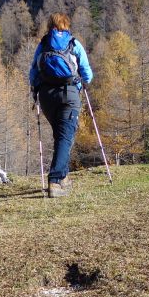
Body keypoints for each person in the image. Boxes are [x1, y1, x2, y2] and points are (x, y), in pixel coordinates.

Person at [29, 13, 94, 197]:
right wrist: (84, 80)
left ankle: (64, 177)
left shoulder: (43, 44)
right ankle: (55, 180)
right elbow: (87, 73)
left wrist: (36, 89)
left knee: (61, 136)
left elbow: (33, 71)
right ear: (66, 25)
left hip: (46, 96)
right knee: (65, 137)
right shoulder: (73, 43)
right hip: (68, 94)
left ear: (50, 25)